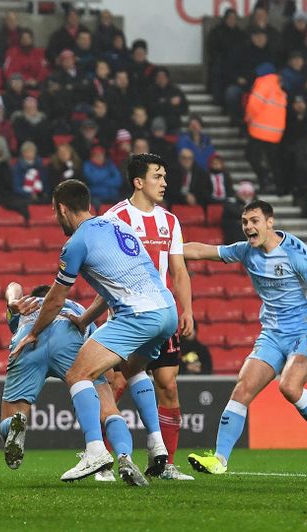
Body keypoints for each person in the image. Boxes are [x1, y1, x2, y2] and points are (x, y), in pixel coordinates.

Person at [10, 179, 175, 482]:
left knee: (77, 375)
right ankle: (157, 445)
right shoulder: (118, 226)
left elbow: (55, 298)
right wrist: (85, 320)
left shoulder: (76, 243)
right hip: (167, 310)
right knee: (134, 369)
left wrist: (33, 333)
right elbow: (113, 286)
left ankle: (96, 450)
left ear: (61, 208)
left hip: (138, 314)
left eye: (54, 212)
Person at [184, 200, 307, 475]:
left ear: (270, 222)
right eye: (245, 222)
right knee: (242, 389)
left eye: (254, 221)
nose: (248, 227)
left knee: (290, 387)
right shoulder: (246, 251)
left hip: (305, 330)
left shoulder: (295, 251)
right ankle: (220, 460)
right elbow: (202, 250)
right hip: (271, 333)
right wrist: (164, 249)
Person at [96, 153, 196, 481]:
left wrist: (188, 310)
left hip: (164, 316)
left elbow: (179, 270)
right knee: (116, 385)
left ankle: (166, 464)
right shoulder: (116, 218)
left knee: (168, 385)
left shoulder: (170, 221)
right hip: (128, 317)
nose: (165, 182)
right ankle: (102, 460)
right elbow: (105, 269)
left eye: (165, 176)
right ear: (139, 182)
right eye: (158, 176)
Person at [1, 282, 149, 486]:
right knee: (108, 410)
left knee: (12, 413)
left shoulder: (27, 305)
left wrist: (13, 302)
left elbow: (14, 285)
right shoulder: (78, 309)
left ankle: (14, 425)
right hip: (69, 336)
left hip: (28, 339)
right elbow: (109, 374)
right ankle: (125, 457)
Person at [244, 63, 286, 194]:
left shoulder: (263, 83)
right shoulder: (279, 89)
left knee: (251, 156)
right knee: (273, 161)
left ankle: (265, 181)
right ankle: (278, 186)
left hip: (259, 130)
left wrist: (248, 118)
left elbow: (253, 104)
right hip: (275, 133)